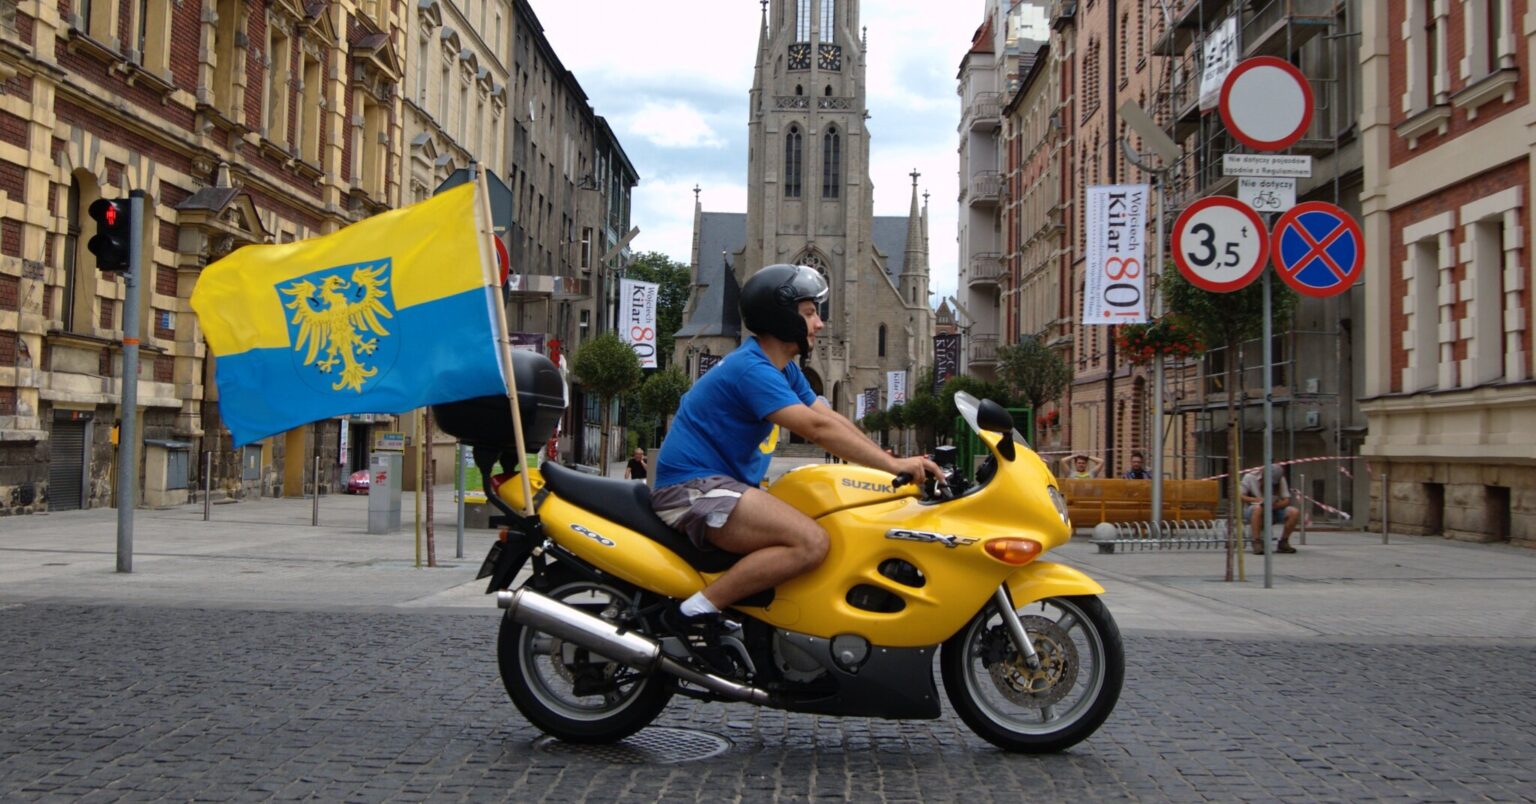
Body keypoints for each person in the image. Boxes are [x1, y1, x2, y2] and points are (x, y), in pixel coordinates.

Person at [650, 263, 942, 644]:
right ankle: (692, 613)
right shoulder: (751, 369)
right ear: (781, 318)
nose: (819, 324)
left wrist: (895, 465)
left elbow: (828, 417)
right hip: (692, 489)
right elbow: (817, 431)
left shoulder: (781, 369)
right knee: (811, 541)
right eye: (809, 314)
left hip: (719, 485)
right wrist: (892, 463)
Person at [1240, 464, 1299, 554]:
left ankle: (1284, 541)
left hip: (1274, 509)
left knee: (1294, 512)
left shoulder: (1281, 480)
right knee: (1258, 508)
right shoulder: (1249, 477)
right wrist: (1256, 500)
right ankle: (1256, 541)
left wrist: (1275, 505)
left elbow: (1286, 500)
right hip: (1253, 510)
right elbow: (1240, 496)